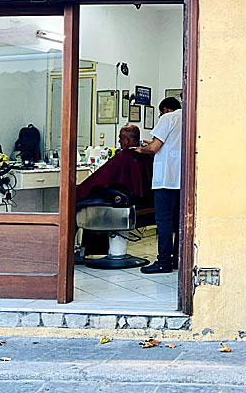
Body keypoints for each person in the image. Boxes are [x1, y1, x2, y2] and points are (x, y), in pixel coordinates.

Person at [76, 125, 153, 257]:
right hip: (143, 202)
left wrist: (80, 190)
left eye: (120, 138)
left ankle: (72, 251)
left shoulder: (123, 157)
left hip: (123, 200)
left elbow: (99, 180)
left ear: (127, 141)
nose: (119, 142)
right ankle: (92, 250)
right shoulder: (146, 155)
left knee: (79, 202)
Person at [136, 96, 182, 274]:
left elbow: (154, 148)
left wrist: (142, 149)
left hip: (165, 179)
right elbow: (169, 144)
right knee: (179, 222)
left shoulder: (167, 118)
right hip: (180, 178)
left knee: (163, 221)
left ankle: (163, 262)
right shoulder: (187, 118)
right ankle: (178, 259)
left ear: (165, 109)